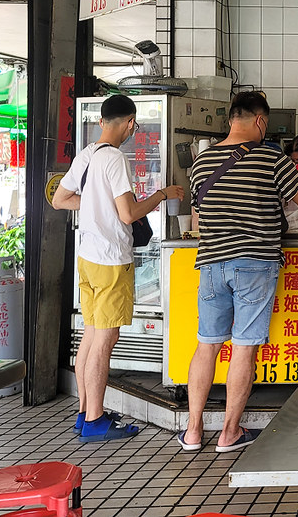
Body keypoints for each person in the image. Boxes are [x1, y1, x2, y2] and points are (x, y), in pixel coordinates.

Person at [178, 92, 298, 453]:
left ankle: (193, 432)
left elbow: (199, 215)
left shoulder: (202, 161)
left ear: (230, 119)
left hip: (210, 261)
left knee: (206, 344)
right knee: (242, 347)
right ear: (260, 121)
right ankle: (229, 432)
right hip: (255, 261)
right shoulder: (271, 155)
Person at [52, 94, 184, 442]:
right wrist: (163, 194)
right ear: (130, 123)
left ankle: (85, 412)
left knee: (92, 336)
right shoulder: (114, 159)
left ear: (100, 121)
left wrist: (97, 205)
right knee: (105, 340)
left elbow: (59, 199)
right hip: (111, 260)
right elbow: (129, 214)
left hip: (88, 258)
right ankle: (95, 419)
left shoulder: (87, 154)